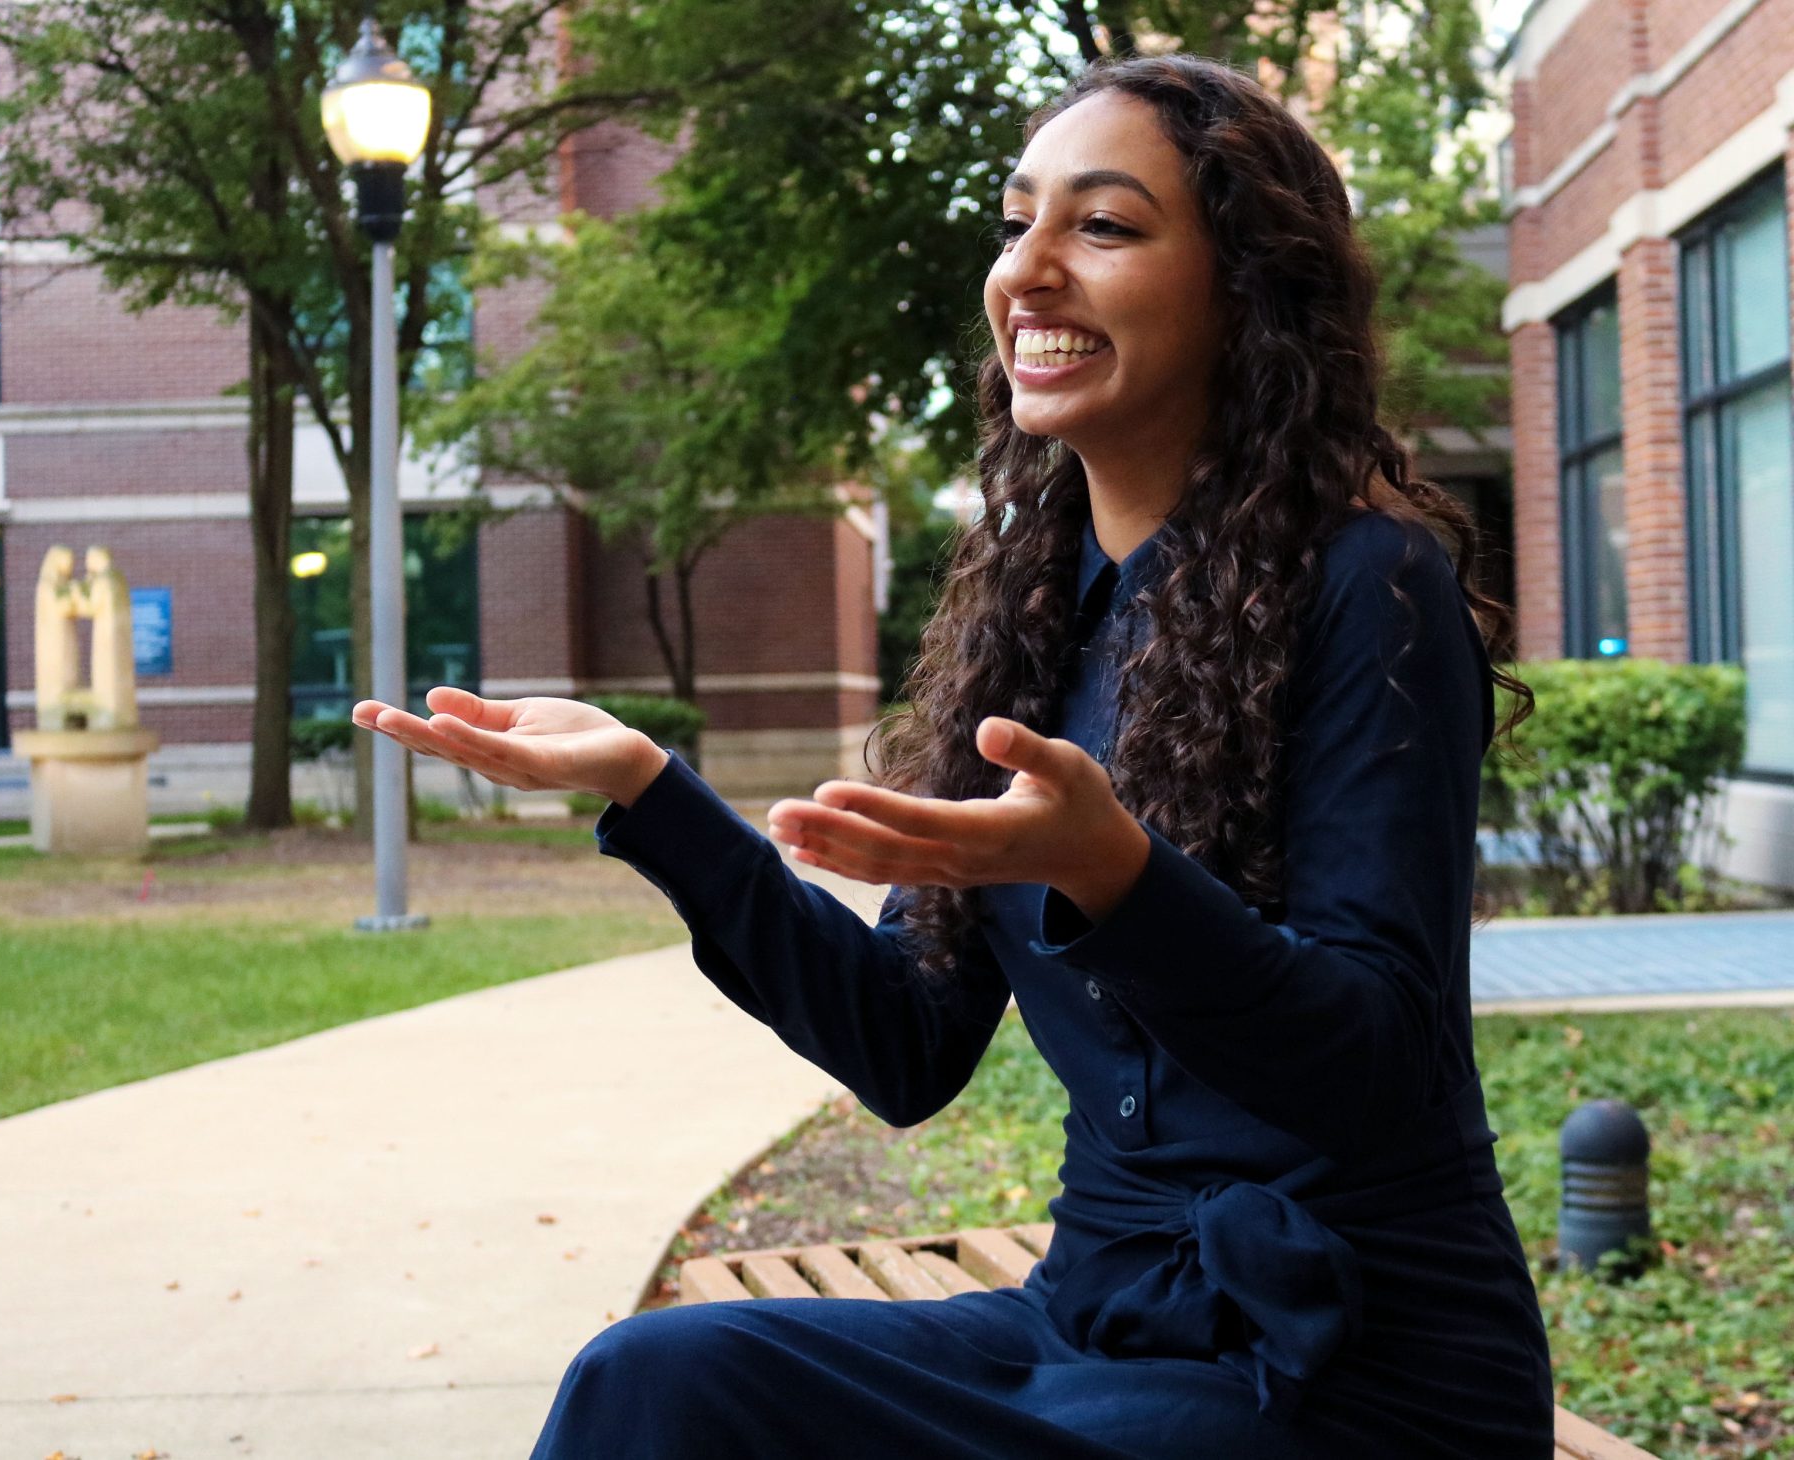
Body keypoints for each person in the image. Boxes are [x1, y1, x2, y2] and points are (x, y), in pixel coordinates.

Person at [353, 52, 1554, 1460]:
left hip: (1350, 1369)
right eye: (1014, 222)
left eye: (1102, 227)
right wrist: (650, 792)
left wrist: (1123, 880)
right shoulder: (1038, 614)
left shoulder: (1368, 583)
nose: (1029, 272)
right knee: (653, 1383)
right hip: (1094, 1322)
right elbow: (908, 1043)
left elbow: (1377, 1058)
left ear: (1248, 289)